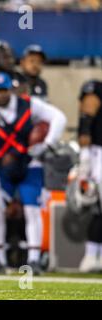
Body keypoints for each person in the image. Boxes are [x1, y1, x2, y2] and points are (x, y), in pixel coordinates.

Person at [0, 72, 66, 275]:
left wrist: (47, 145)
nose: (1, 95)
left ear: (11, 89)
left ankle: (34, 261)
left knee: (33, 209)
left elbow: (59, 117)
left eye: (4, 90)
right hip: (3, 169)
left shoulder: (29, 104)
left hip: (29, 164)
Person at [77, 79, 102, 272]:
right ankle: (91, 256)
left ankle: (94, 255)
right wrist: (85, 156)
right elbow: (87, 113)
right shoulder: (95, 87)